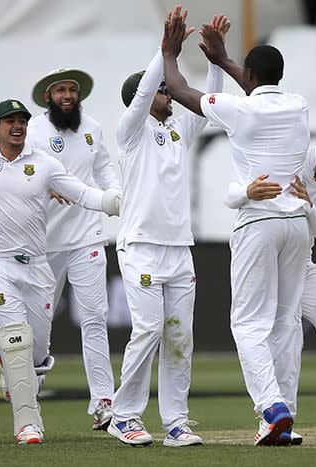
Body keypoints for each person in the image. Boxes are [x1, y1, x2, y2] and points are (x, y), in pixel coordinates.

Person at [162, 8, 311, 446]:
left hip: (259, 222)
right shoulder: (298, 104)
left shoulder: (239, 109)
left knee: (248, 324)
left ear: (248, 74)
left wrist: (171, 52)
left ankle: (271, 406)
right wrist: (225, 60)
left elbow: (177, 89)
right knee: (286, 322)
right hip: (297, 225)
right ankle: (282, 418)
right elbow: (256, 84)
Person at [106, 8, 229, 447]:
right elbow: (142, 94)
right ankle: (125, 415)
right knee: (149, 330)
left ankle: (176, 421)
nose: (168, 93)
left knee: (180, 335)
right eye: (162, 89)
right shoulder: (130, 132)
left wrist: (215, 63)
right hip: (139, 245)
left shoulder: (179, 129)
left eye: (167, 89)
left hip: (179, 247)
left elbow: (208, 105)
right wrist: (165, 52)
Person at [0, 99, 120, 445]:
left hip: (37, 265)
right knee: (16, 337)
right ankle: (28, 423)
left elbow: (83, 193)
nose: (17, 126)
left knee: (36, 351)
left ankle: (11, 365)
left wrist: (118, 202)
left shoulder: (46, 165)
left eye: (21, 120)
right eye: (9, 122)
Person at [224, 123, 316, 445]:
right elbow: (231, 193)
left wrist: (307, 209)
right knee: (275, 330)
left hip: (301, 264)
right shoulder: (292, 161)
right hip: (265, 256)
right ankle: (270, 414)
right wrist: (247, 192)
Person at [26, 68, 120, 430]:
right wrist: (41, 185)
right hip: (44, 242)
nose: (68, 95)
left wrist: (116, 196)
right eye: (61, 90)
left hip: (87, 238)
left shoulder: (92, 127)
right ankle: (27, 391)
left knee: (95, 318)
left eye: (73, 90)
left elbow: (105, 170)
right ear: (48, 97)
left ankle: (104, 402)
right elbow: (24, 170)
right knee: (39, 325)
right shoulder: (34, 129)